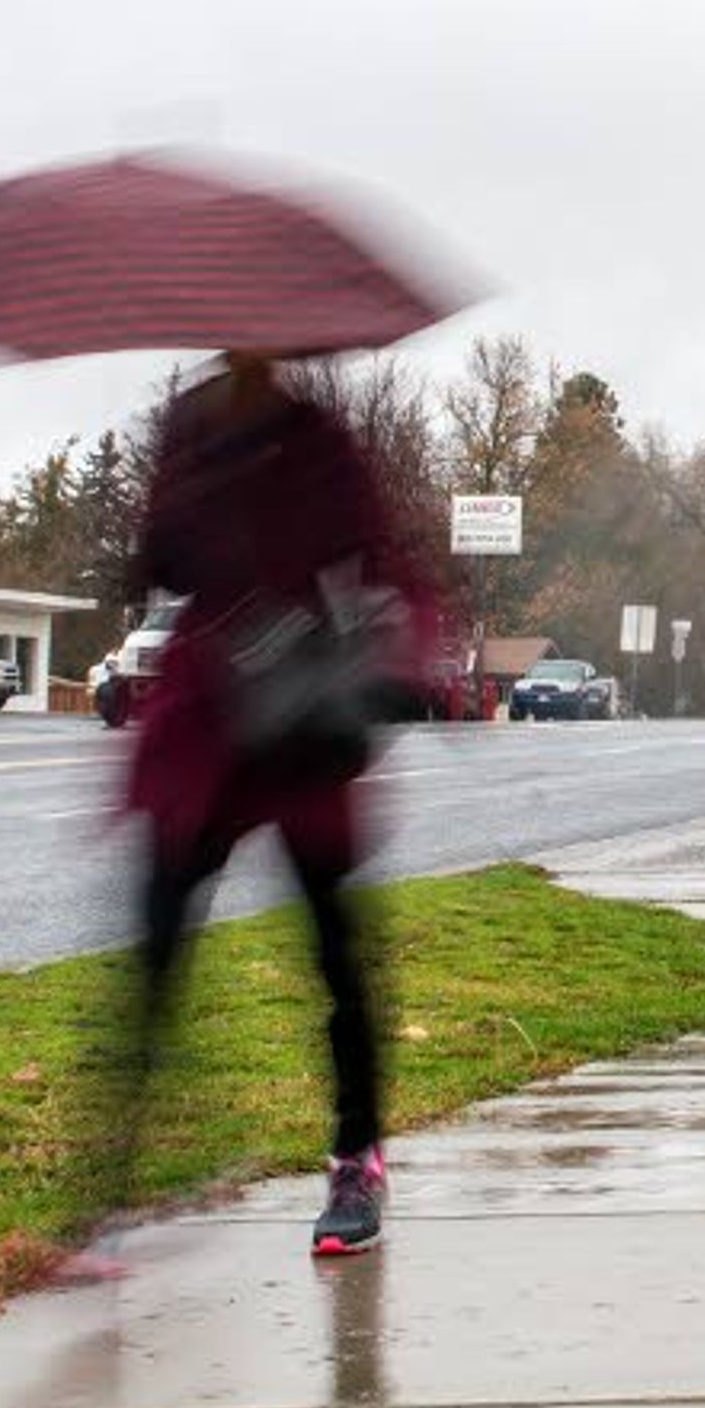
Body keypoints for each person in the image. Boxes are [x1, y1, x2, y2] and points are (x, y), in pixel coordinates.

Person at [94, 349, 439, 1260]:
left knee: (335, 950)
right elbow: (155, 561)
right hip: (203, 726)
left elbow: (381, 559)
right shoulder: (187, 426)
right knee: (157, 945)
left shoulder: (320, 436)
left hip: (298, 724)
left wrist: (408, 663)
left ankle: (356, 1160)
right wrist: (187, 530)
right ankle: (110, 1176)